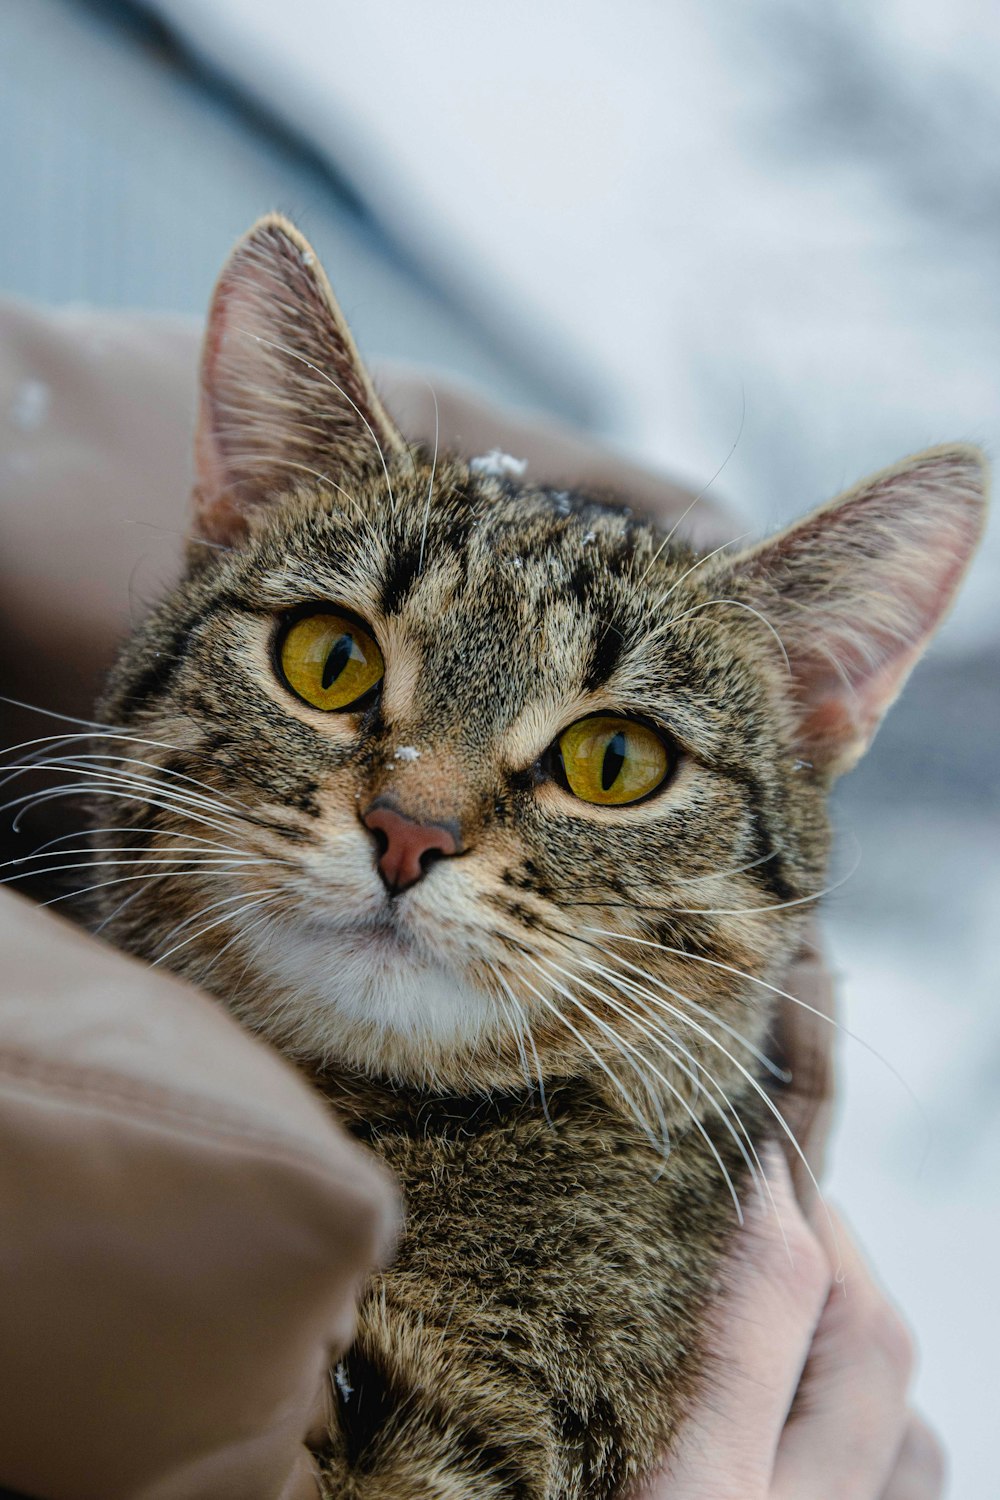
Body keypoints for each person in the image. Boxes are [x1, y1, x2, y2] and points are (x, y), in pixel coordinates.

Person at [0, 304, 942, 1498]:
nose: (418, 821)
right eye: (331, 664)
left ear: (814, 710)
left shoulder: (594, 1259)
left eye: (610, 762)